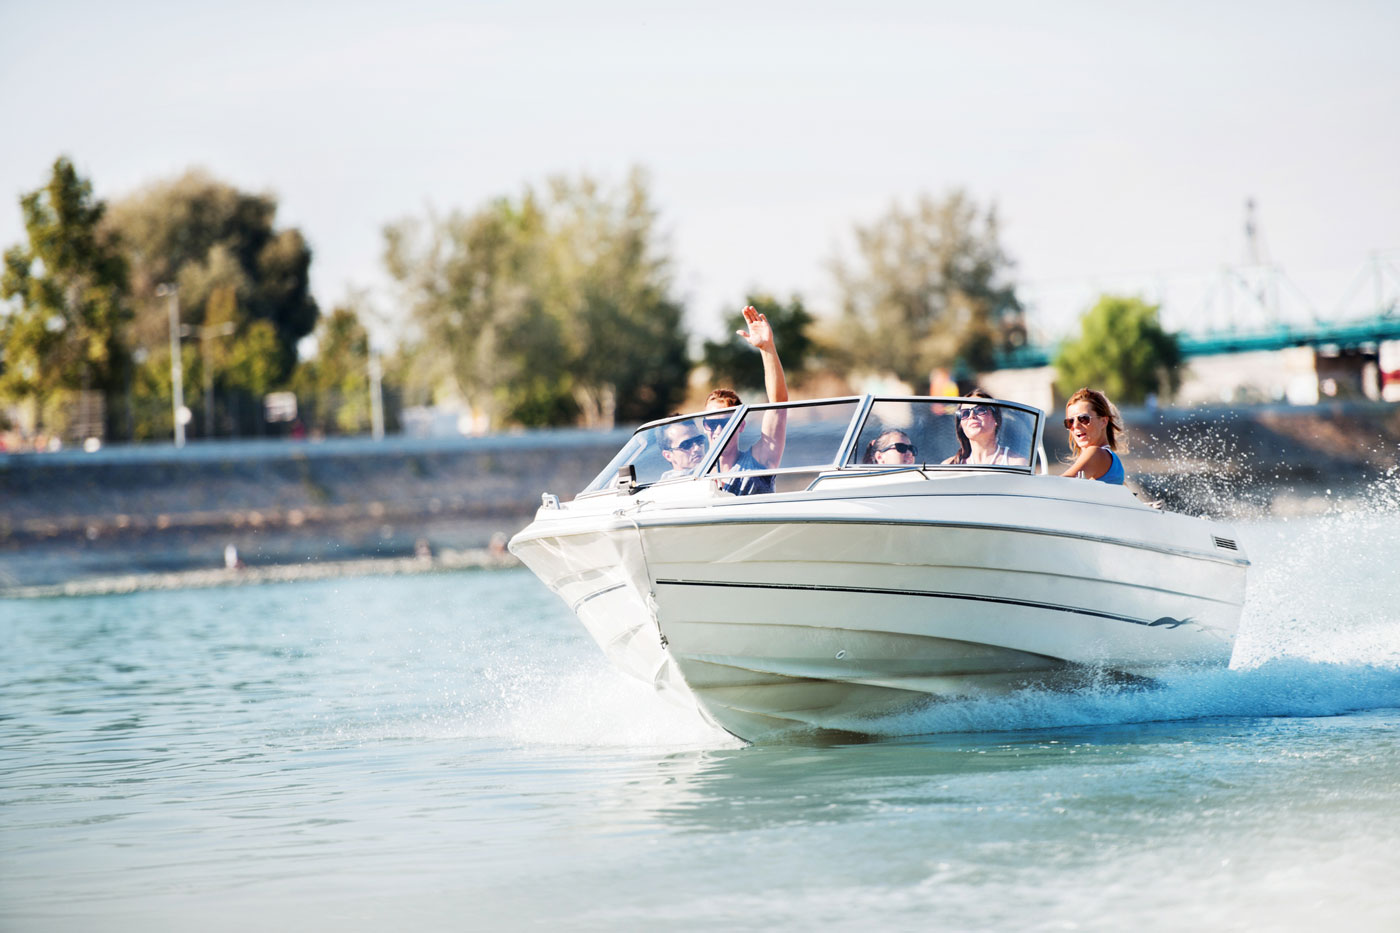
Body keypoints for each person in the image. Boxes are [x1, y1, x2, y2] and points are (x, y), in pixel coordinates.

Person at [702, 305, 788, 495]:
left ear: (740, 426)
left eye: (725, 423)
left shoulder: (757, 462)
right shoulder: (695, 475)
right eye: (710, 423)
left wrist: (767, 348)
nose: (717, 431)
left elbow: (778, 405)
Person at [943, 388, 1028, 465]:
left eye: (980, 410)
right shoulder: (949, 465)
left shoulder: (1015, 463)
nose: (972, 416)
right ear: (961, 425)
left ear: (996, 419)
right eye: (965, 413)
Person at [1060, 387, 1126, 483]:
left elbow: (1060, 484)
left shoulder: (1096, 453)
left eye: (1083, 419)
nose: (1076, 426)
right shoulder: (1109, 458)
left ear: (1103, 421)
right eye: (1070, 421)